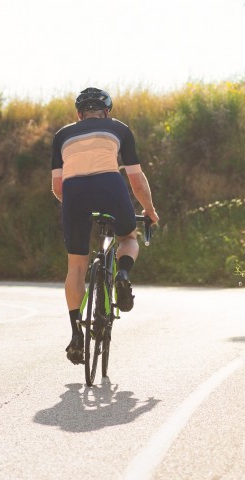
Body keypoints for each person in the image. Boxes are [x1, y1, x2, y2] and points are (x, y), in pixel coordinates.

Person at [51, 87, 160, 365]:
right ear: (107, 111)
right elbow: (136, 179)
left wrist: (76, 208)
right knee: (128, 237)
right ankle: (122, 275)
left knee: (75, 267)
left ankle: (76, 336)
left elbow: (57, 186)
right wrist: (149, 210)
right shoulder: (119, 129)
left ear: (78, 114)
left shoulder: (62, 135)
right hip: (110, 186)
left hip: (73, 192)